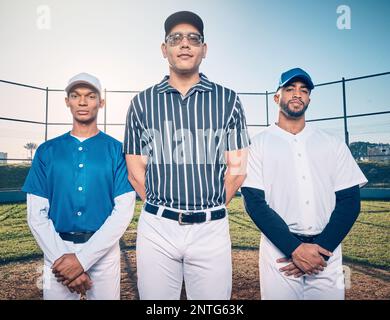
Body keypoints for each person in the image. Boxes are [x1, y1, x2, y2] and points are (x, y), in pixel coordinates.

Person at [124, 11, 250, 300]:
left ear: (203, 50)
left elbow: (238, 167)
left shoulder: (228, 99)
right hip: (157, 228)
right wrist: (164, 208)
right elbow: (135, 169)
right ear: (164, 48)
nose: (184, 44)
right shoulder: (142, 102)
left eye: (193, 38)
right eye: (175, 38)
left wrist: (211, 207)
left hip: (211, 228)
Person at [241, 67, 368, 300]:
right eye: (289, 89)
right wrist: (294, 249)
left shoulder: (332, 143)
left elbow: (350, 202)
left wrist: (322, 251)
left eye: (304, 90)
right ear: (277, 97)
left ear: (309, 98)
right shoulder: (257, 144)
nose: (297, 94)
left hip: (326, 254)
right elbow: (254, 203)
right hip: (279, 254)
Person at [22, 72, 136, 300]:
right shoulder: (47, 151)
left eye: (90, 96)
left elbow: (123, 211)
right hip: (57, 251)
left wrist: (82, 260)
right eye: (75, 95)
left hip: (103, 251)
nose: (82, 102)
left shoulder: (117, 150)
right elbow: (36, 214)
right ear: (67, 101)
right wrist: (65, 262)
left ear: (101, 102)